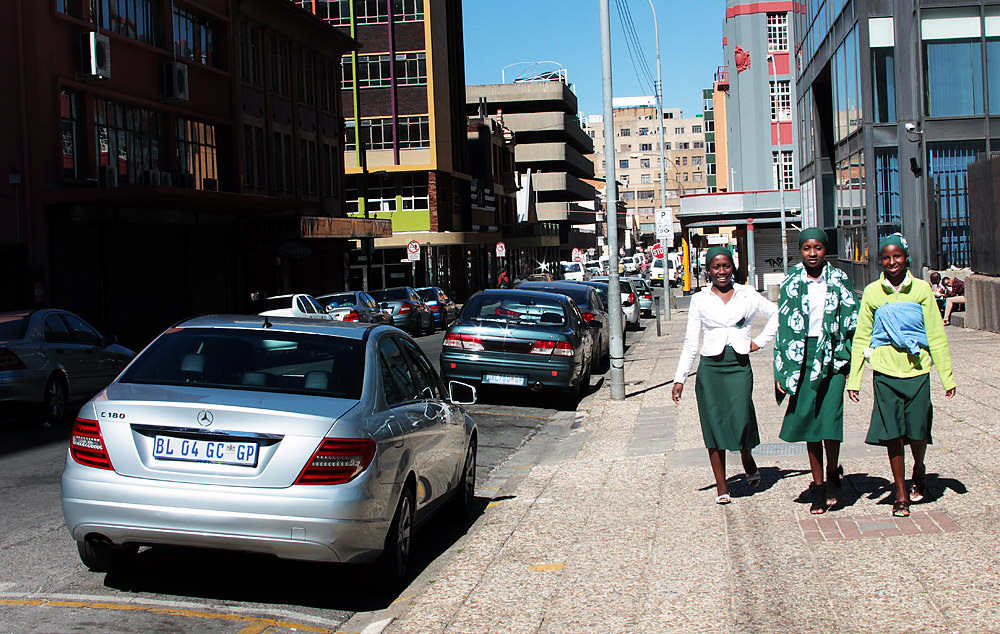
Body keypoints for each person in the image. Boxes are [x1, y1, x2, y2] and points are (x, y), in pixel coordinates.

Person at [847, 233, 957, 518]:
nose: (892, 261)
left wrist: (947, 376)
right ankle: (900, 490)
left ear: (907, 258)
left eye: (897, 256)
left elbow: (935, 334)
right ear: (880, 261)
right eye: (886, 257)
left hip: (917, 369)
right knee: (893, 433)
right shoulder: (872, 293)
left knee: (918, 428)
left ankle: (918, 467)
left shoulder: (921, 290)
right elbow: (862, 337)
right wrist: (855, 378)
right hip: (884, 371)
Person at [671, 246, 779, 504]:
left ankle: (746, 455)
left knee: (742, 417)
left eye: (726, 266)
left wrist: (760, 341)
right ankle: (722, 486)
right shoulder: (700, 299)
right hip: (711, 369)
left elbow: (776, 312)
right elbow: (690, 341)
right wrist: (680, 378)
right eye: (716, 267)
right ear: (708, 270)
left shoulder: (747, 293)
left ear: (733, 268)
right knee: (714, 425)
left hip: (739, 365)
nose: (722, 271)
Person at [773, 228, 858, 514]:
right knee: (810, 423)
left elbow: (852, 319)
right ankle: (818, 485)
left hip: (832, 356)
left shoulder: (839, 279)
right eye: (807, 248)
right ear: (801, 250)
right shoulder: (791, 282)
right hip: (802, 357)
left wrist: (849, 357)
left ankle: (833, 475)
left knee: (831, 420)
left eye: (818, 248)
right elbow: (782, 329)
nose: (813, 253)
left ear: (825, 250)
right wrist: (781, 370)